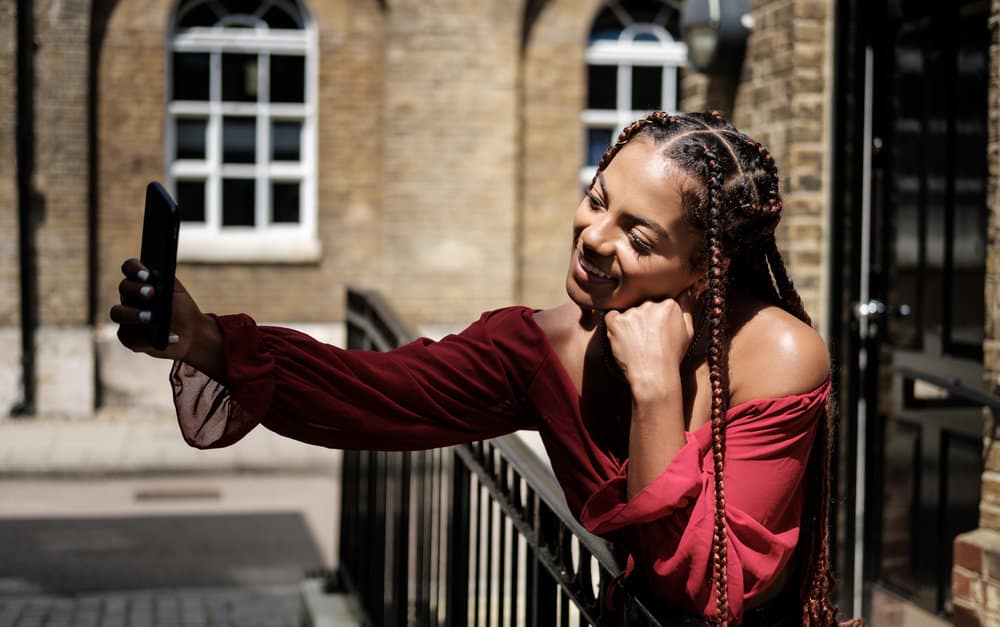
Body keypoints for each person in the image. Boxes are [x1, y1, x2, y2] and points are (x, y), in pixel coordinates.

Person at [112, 111, 852, 626]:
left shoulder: (779, 355)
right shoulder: (538, 349)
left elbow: (707, 588)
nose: (593, 237)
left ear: (706, 268)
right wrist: (205, 339)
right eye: (596, 200)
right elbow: (376, 393)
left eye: (638, 233)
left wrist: (655, 388)